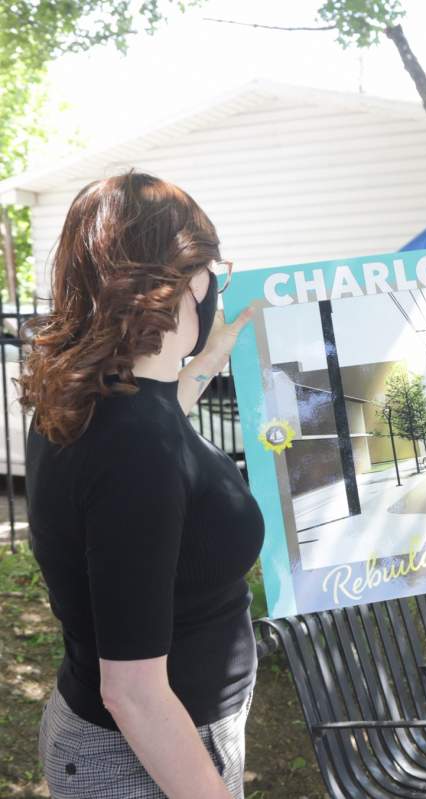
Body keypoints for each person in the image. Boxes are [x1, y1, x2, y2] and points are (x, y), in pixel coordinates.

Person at [23, 172, 260, 798]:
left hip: (139, 745)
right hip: (146, 762)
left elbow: (157, 429)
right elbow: (132, 693)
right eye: (214, 270)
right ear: (185, 280)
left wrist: (211, 359)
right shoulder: (132, 447)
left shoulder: (96, 402)